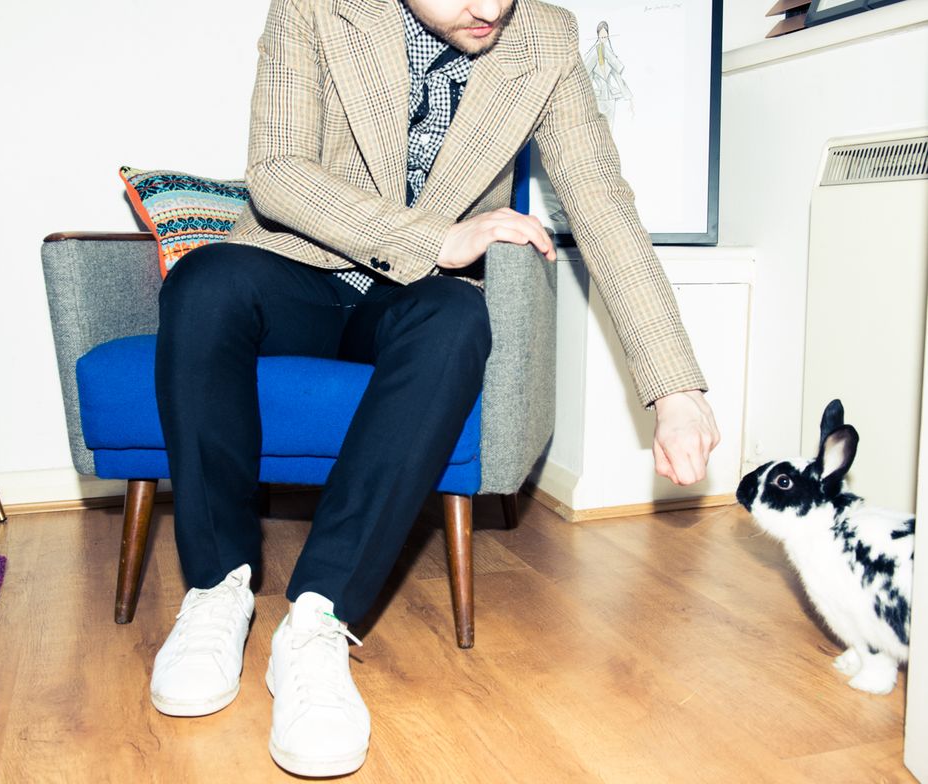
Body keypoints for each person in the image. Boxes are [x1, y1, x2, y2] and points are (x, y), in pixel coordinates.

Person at [149, 0, 721, 777]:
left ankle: (317, 622)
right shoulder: (316, 8)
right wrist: (436, 238)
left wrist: (673, 387)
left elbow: (601, 202)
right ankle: (217, 589)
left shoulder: (545, 37)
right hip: (297, 271)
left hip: (409, 300)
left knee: (457, 318)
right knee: (204, 282)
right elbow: (277, 171)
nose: (487, 7)